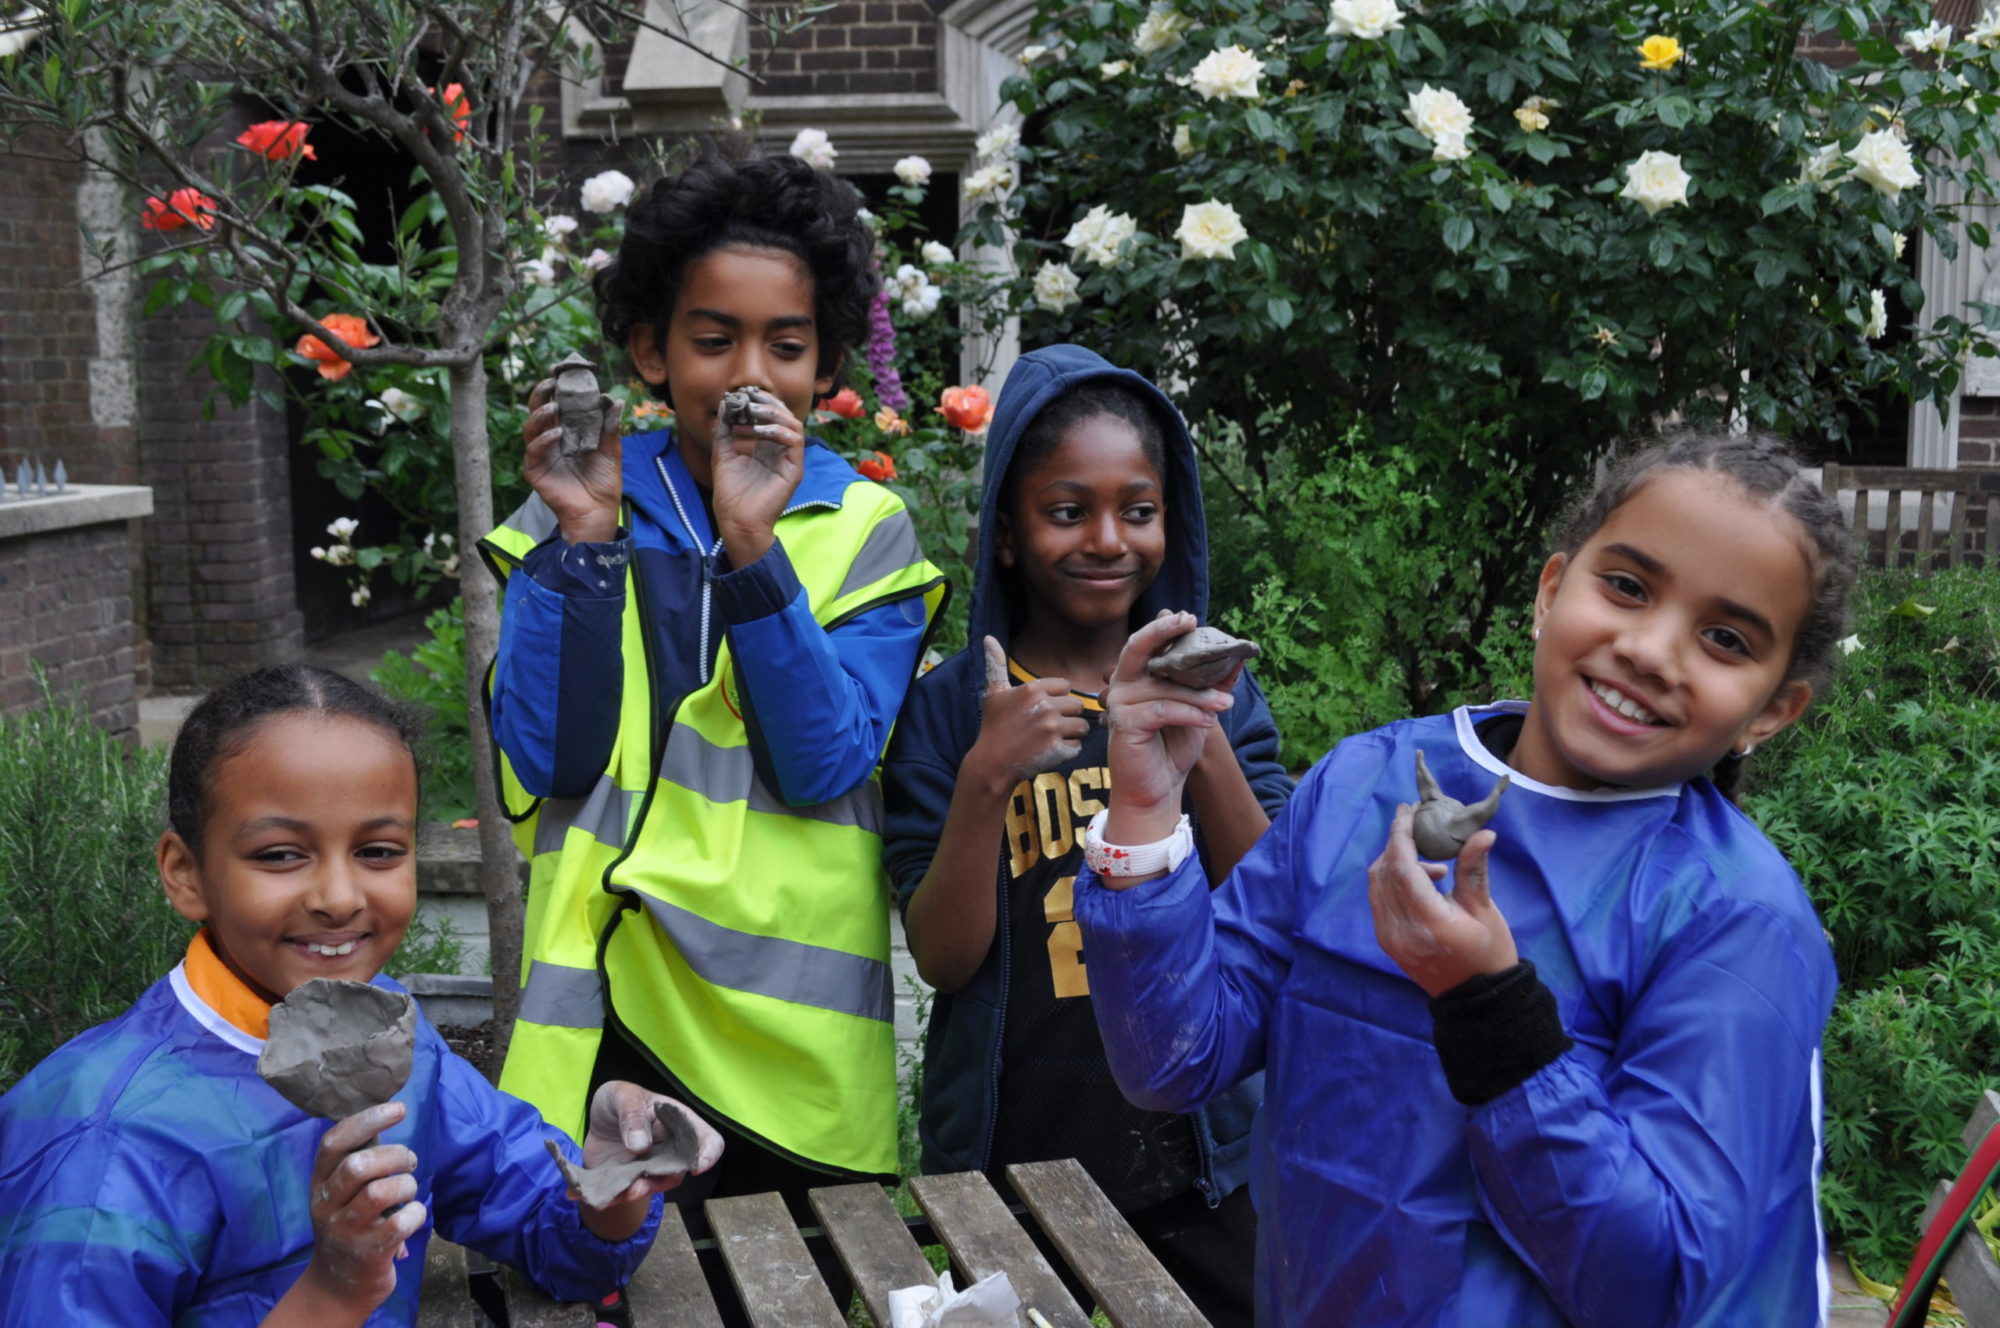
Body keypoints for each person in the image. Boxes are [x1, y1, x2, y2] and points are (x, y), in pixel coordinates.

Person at [1071, 433, 1856, 1326]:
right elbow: (1174, 1058)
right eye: (1628, 587)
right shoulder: (1365, 782)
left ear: (1773, 710)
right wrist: (1142, 807)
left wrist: (1489, 1010)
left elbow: (1658, 1287)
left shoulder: (1734, 922)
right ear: (1552, 591)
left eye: (1725, 639)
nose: (1650, 648)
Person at [480, 143, 946, 1231]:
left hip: (780, 1052)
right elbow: (548, 758)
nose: (749, 371)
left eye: (785, 345)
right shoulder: (571, 508)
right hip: (602, 1008)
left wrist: (753, 546)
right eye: (711, 338)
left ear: (827, 364)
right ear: (648, 350)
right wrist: (586, 537)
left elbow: (823, 761)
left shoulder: (861, 529)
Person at [0, 664, 721, 1327]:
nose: (340, 898)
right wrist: (332, 1293)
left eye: (378, 851)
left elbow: (561, 1243)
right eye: (280, 854)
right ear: (185, 873)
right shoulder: (106, 1141)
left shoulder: (387, 1034)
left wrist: (609, 1183)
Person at [881, 345, 1292, 1321]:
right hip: (1008, 1148)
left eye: (1136, 509)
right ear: (1009, 535)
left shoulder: (1219, 691)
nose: (1107, 538)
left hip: (1200, 1150)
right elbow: (943, 957)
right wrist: (985, 776)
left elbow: (1270, 903)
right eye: (1067, 510)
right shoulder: (948, 714)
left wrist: (1204, 731)